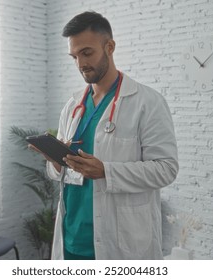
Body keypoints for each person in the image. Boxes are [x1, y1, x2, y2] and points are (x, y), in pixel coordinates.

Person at [33, 11, 178, 260]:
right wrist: (55, 161)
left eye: (87, 53)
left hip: (120, 244)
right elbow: (59, 173)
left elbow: (166, 169)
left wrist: (106, 171)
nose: (80, 63)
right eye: (74, 56)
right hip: (71, 238)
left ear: (109, 47)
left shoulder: (147, 102)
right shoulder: (72, 106)